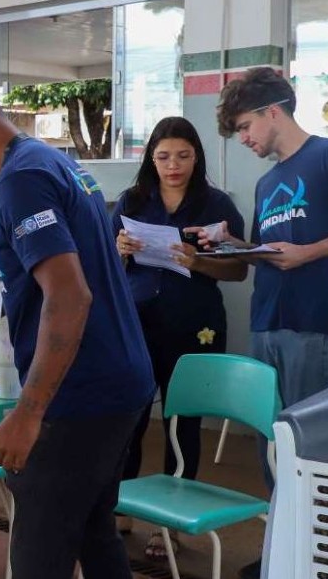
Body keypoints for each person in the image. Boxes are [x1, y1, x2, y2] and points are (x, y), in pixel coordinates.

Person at [0, 77, 155, 579]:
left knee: (40, 556)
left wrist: (28, 412)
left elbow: (69, 296)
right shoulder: (52, 161)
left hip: (77, 397)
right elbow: (13, 285)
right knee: (92, 531)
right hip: (123, 382)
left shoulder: (21, 180)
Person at [214, 67, 328, 578]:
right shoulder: (267, 181)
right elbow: (269, 255)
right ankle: (286, 550)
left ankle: (326, 557)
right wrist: (232, 245)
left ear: (274, 110)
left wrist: (311, 252)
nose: (244, 139)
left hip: (312, 325)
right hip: (266, 323)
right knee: (272, 445)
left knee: (312, 448)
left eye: (246, 126)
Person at [110, 116, 248, 561]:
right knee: (127, 416)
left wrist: (198, 261)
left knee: (180, 421)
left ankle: (168, 524)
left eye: (184, 156)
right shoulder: (133, 200)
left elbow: (239, 268)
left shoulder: (216, 204)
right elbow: (106, 264)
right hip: (137, 322)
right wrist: (120, 252)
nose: (174, 165)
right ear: (150, 158)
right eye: (164, 156)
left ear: (197, 157)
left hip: (196, 324)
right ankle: (120, 508)